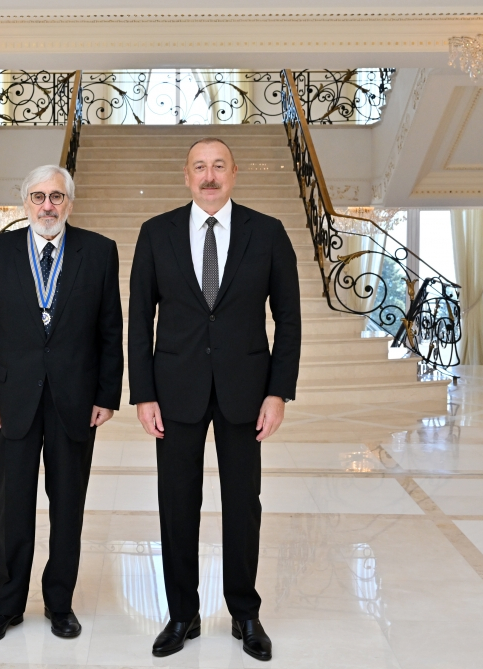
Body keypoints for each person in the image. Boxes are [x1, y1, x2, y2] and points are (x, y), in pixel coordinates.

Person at [128, 138, 301, 661]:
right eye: (200, 167)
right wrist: (143, 393)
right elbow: (139, 319)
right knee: (177, 504)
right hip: (174, 391)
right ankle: (183, 614)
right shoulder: (156, 233)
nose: (209, 176)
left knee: (243, 505)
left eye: (218, 166)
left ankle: (245, 613)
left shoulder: (267, 233)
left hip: (245, 393)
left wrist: (278, 391)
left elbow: (289, 320)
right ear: (186, 176)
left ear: (234, 173)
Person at [0, 164, 123, 642]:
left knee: (68, 507)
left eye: (56, 196)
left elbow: (110, 330)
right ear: (25, 203)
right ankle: (7, 605)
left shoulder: (99, 251)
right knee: (12, 506)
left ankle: (60, 604)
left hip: (74, 400)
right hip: (11, 400)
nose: (47, 206)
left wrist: (107, 395)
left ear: (69, 202)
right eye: (38, 197)